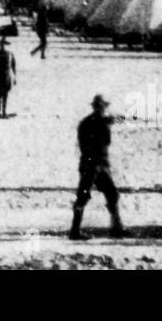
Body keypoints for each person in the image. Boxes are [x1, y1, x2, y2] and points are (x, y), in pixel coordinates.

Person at [69, 94, 125, 240]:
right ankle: (75, 231)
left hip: (94, 163)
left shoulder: (87, 122)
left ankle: (116, 227)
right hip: (94, 164)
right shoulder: (98, 122)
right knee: (84, 196)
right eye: (101, 106)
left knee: (111, 194)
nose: (102, 109)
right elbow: (101, 141)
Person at [0, 36, 16, 119]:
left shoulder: (10, 54)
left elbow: (13, 66)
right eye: (1, 45)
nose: (2, 46)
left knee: (5, 94)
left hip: (6, 76)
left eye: (4, 45)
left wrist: (14, 77)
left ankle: (4, 111)